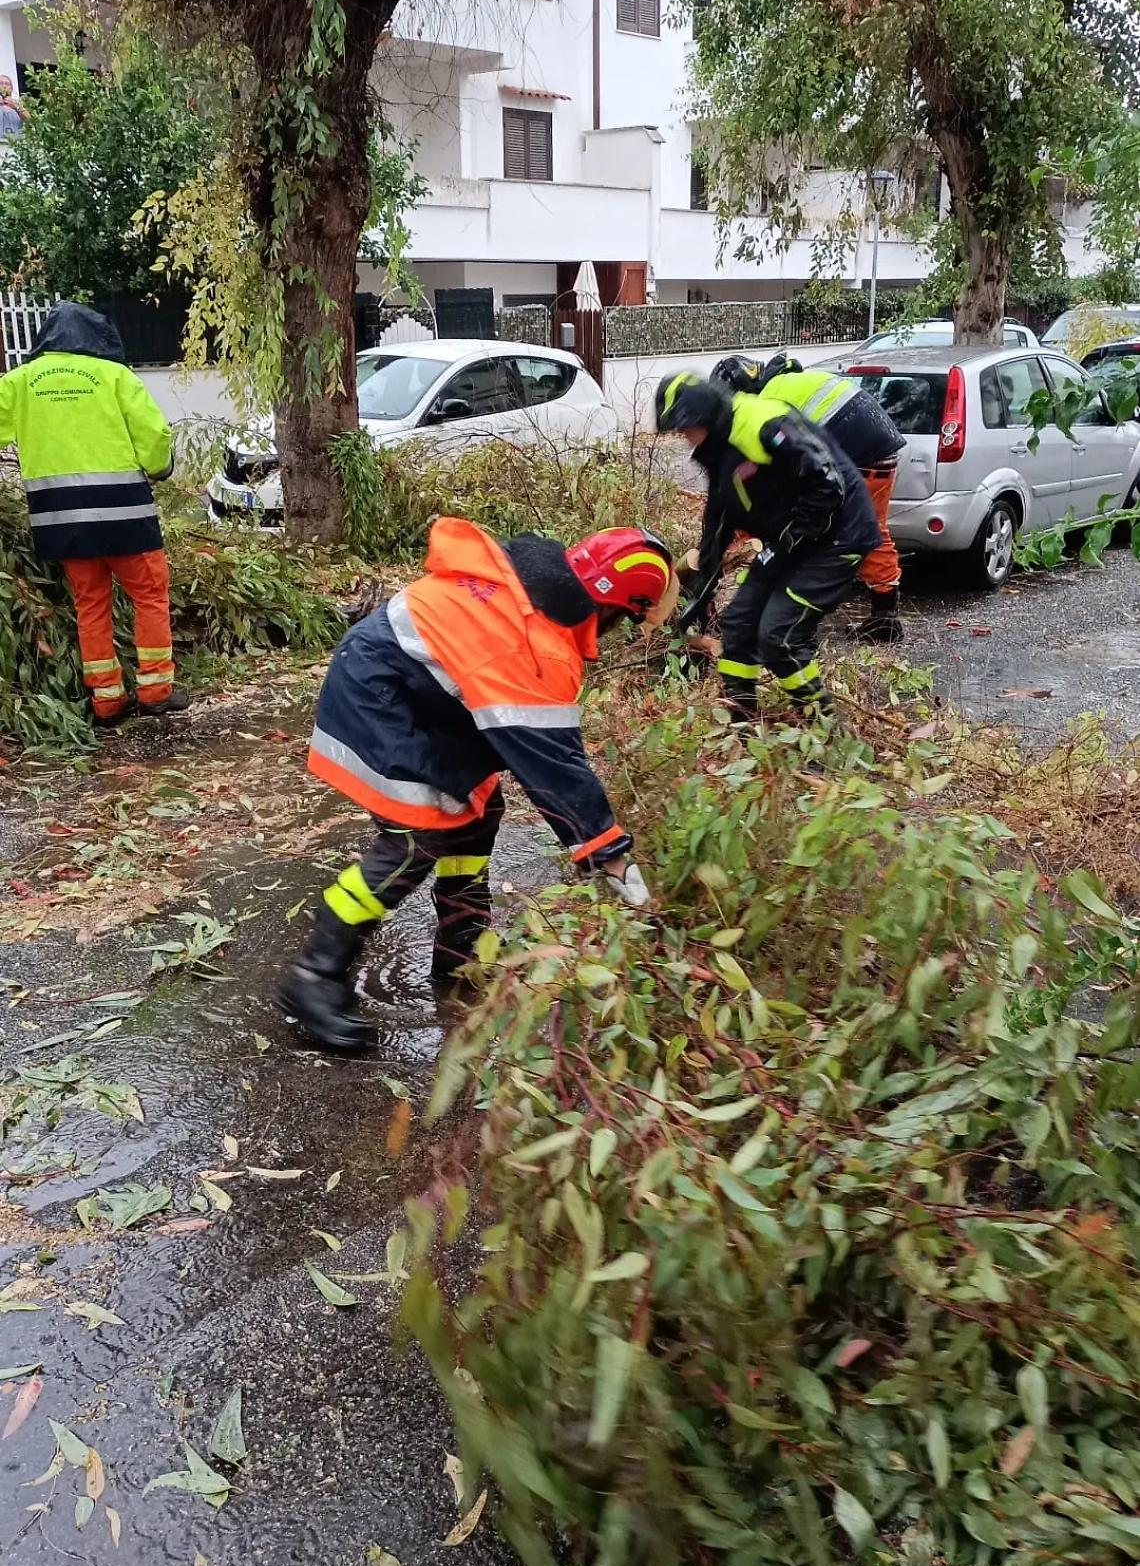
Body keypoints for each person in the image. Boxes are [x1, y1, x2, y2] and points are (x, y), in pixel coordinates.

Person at [279, 516, 677, 1054]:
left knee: (478, 808)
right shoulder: (535, 646)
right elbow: (556, 771)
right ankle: (315, 974)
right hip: (379, 702)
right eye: (627, 620)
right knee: (417, 841)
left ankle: (461, 941)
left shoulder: (534, 586)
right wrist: (611, 857)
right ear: (613, 608)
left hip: (422, 694)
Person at [0, 301, 188, 724]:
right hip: (124, 515)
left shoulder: (21, 382)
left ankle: (106, 700)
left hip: (61, 521)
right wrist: (160, 468)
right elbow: (154, 435)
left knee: (91, 604)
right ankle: (156, 690)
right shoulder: (114, 376)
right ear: (97, 337)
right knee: (150, 597)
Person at [656, 368, 879, 717]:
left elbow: (828, 483)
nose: (684, 437)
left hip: (838, 534)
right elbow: (721, 512)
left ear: (702, 414)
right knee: (739, 624)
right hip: (792, 538)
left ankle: (824, 731)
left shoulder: (761, 423)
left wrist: (788, 540)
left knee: (779, 636)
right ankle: (741, 724)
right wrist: (705, 581)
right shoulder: (719, 444)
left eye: (685, 428)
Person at [711, 353, 906, 641]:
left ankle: (795, 625)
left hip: (851, 452)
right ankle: (885, 617)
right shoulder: (789, 382)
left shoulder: (764, 403)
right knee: (870, 530)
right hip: (881, 450)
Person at [0, 75, 28, 140]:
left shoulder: (19, 104)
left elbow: (30, 120)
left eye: (7, 84)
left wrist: (16, 106)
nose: (4, 86)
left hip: (15, 146)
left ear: (11, 88)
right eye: (1, 83)